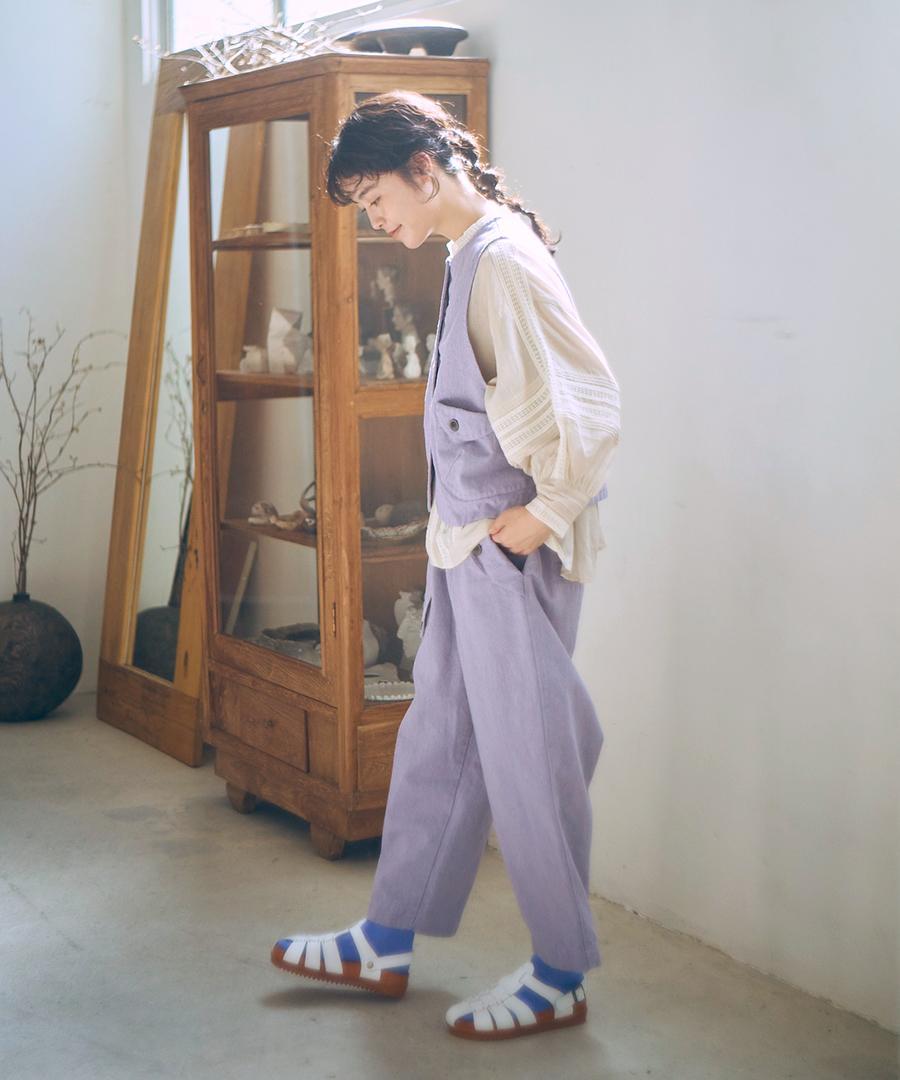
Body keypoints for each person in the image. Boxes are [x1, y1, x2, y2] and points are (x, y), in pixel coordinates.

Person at [271, 90, 622, 1042]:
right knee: (442, 739)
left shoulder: (503, 260)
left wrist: (546, 512)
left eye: (375, 197)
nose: (375, 219)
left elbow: (590, 401)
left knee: (531, 751)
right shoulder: (471, 253)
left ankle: (561, 974)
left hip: (509, 550)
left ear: (424, 170)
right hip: (467, 546)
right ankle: (385, 939)